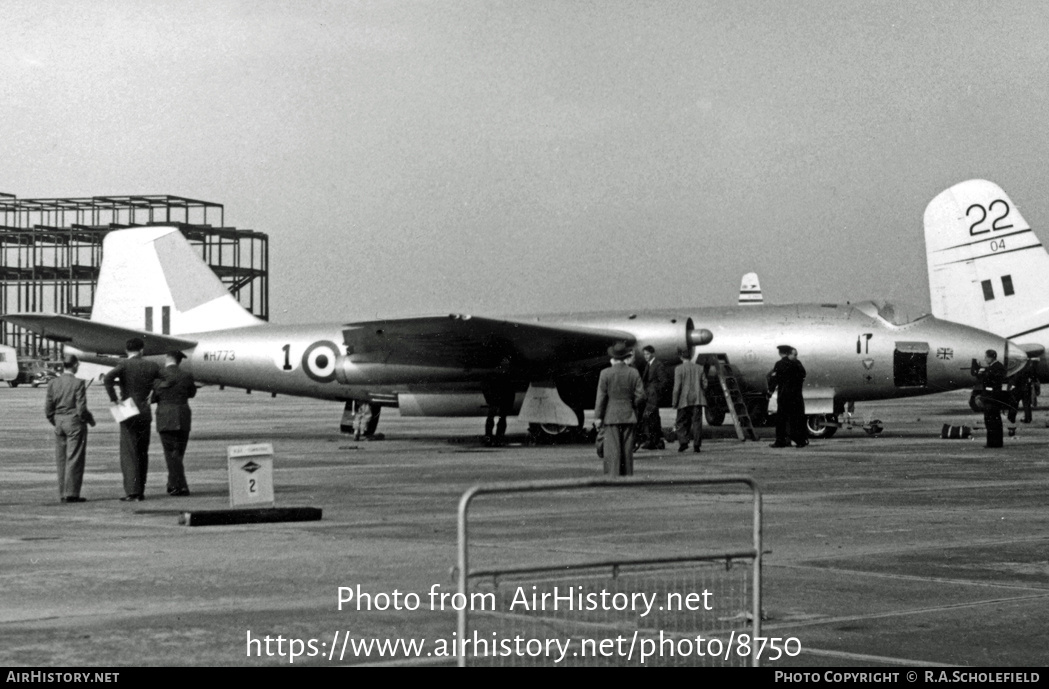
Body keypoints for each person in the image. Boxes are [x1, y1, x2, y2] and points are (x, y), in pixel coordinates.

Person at [104, 337, 163, 501]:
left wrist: (114, 399)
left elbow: (107, 379)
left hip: (127, 407)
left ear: (126, 350)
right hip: (144, 408)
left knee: (129, 451)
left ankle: (132, 491)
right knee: (142, 451)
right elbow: (163, 380)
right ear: (142, 350)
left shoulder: (123, 364)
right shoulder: (152, 365)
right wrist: (154, 396)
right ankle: (141, 489)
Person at [45, 355, 95, 503]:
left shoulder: (53, 383)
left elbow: (48, 408)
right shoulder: (78, 383)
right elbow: (81, 409)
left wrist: (55, 420)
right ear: (74, 365)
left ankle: (63, 493)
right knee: (74, 458)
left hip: (59, 422)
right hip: (74, 423)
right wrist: (90, 420)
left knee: (61, 459)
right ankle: (72, 493)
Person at [594, 342, 646, 476]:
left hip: (611, 416)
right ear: (625, 357)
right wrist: (631, 404)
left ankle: (613, 476)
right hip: (629, 415)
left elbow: (601, 397)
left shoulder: (605, 373)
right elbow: (641, 395)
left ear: (613, 359)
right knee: (627, 449)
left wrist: (598, 417)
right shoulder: (633, 372)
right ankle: (627, 475)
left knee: (613, 449)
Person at [152, 350, 196, 496]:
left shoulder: (159, 375)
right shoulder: (187, 375)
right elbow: (192, 393)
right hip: (183, 416)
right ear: (179, 361)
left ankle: (181, 486)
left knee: (170, 453)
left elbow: (154, 397)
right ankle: (172, 484)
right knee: (178, 452)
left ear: (167, 358)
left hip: (165, 417)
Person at [767, 344, 808, 448]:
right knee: (797, 418)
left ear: (781, 353)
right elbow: (803, 375)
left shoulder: (780, 364)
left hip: (784, 396)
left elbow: (774, 380)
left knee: (781, 419)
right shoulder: (797, 363)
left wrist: (770, 392)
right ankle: (800, 441)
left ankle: (780, 441)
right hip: (797, 396)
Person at [671, 347, 707, 453]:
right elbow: (705, 384)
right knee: (697, 422)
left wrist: (674, 402)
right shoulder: (700, 368)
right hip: (698, 399)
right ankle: (697, 445)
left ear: (681, 357)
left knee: (680, 422)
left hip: (684, 399)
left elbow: (677, 388)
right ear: (690, 356)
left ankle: (683, 443)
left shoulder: (678, 369)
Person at [972, 349, 1007, 448]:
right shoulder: (994, 367)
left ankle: (993, 443)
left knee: (992, 421)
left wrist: (983, 373)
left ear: (991, 357)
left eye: (986, 357)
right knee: (992, 421)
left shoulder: (996, 368)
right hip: (991, 396)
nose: (985, 359)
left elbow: (990, 381)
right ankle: (994, 442)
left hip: (991, 397)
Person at [638, 345, 668, 450]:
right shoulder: (649, 365)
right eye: (644, 354)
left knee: (649, 418)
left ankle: (652, 441)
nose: (646, 356)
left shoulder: (658, 365)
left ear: (653, 354)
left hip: (653, 397)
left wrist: (655, 391)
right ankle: (654, 441)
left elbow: (664, 381)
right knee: (652, 418)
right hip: (649, 397)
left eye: (647, 354)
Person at [482, 356, 515, 446]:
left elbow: (486, 387)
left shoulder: (494, 374)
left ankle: (491, 439)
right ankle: (498, 439)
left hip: (497, 400)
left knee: (493, 419)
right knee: (499, 419)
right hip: (499, 400)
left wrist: (489, 399)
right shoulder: (505, 375)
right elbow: (511, 390)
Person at [1007, 360, 1036, 425]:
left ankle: (1011, 418)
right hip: (1026, 389)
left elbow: (1016, 377)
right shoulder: (1028, 366)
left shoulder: (1018, 366)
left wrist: (1012, 386)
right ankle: (1028, 418)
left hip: (1017, 389)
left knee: (1014, 404)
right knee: (1026, 405)